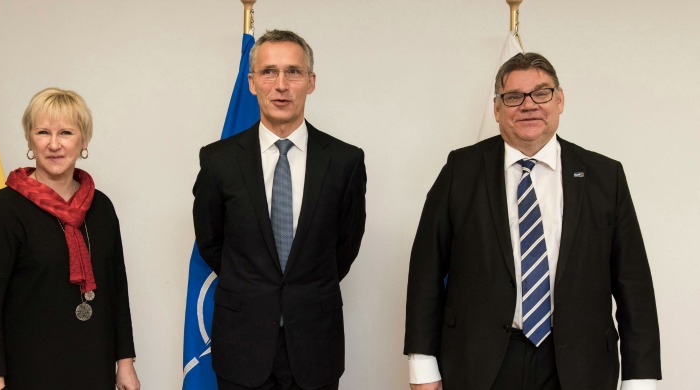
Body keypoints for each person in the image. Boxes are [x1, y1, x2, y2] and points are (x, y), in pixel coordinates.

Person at [404, 53, 661, 390]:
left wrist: (640, 379)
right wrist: (422, 365)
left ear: (560, 100)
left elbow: (633, 284)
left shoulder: (604, 176)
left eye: (541, 93)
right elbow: (426, 270)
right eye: (514, 97)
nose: (529, 105)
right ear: (497, 109)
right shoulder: (460, 170)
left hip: (579, 364)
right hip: (480, 362)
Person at [193, 30, 366, 390]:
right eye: (269, 72)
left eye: (293, 72)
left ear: (311, 82)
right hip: (242, 345)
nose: (281, 85)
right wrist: (254, 286)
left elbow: (344, 247)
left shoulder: (344, 161)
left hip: (315, 346)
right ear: (252, 83)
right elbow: (211, 243)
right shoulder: (218, 161)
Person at [0, 88, 140, 390]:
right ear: (30, 140)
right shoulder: (3, 210)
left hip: (93, 365)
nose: (54, 144)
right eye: (43, 132)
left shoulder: (101, 207)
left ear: (84, 141)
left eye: (66, 133)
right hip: (28, 369)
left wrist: (125, 362)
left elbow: (117, 288)